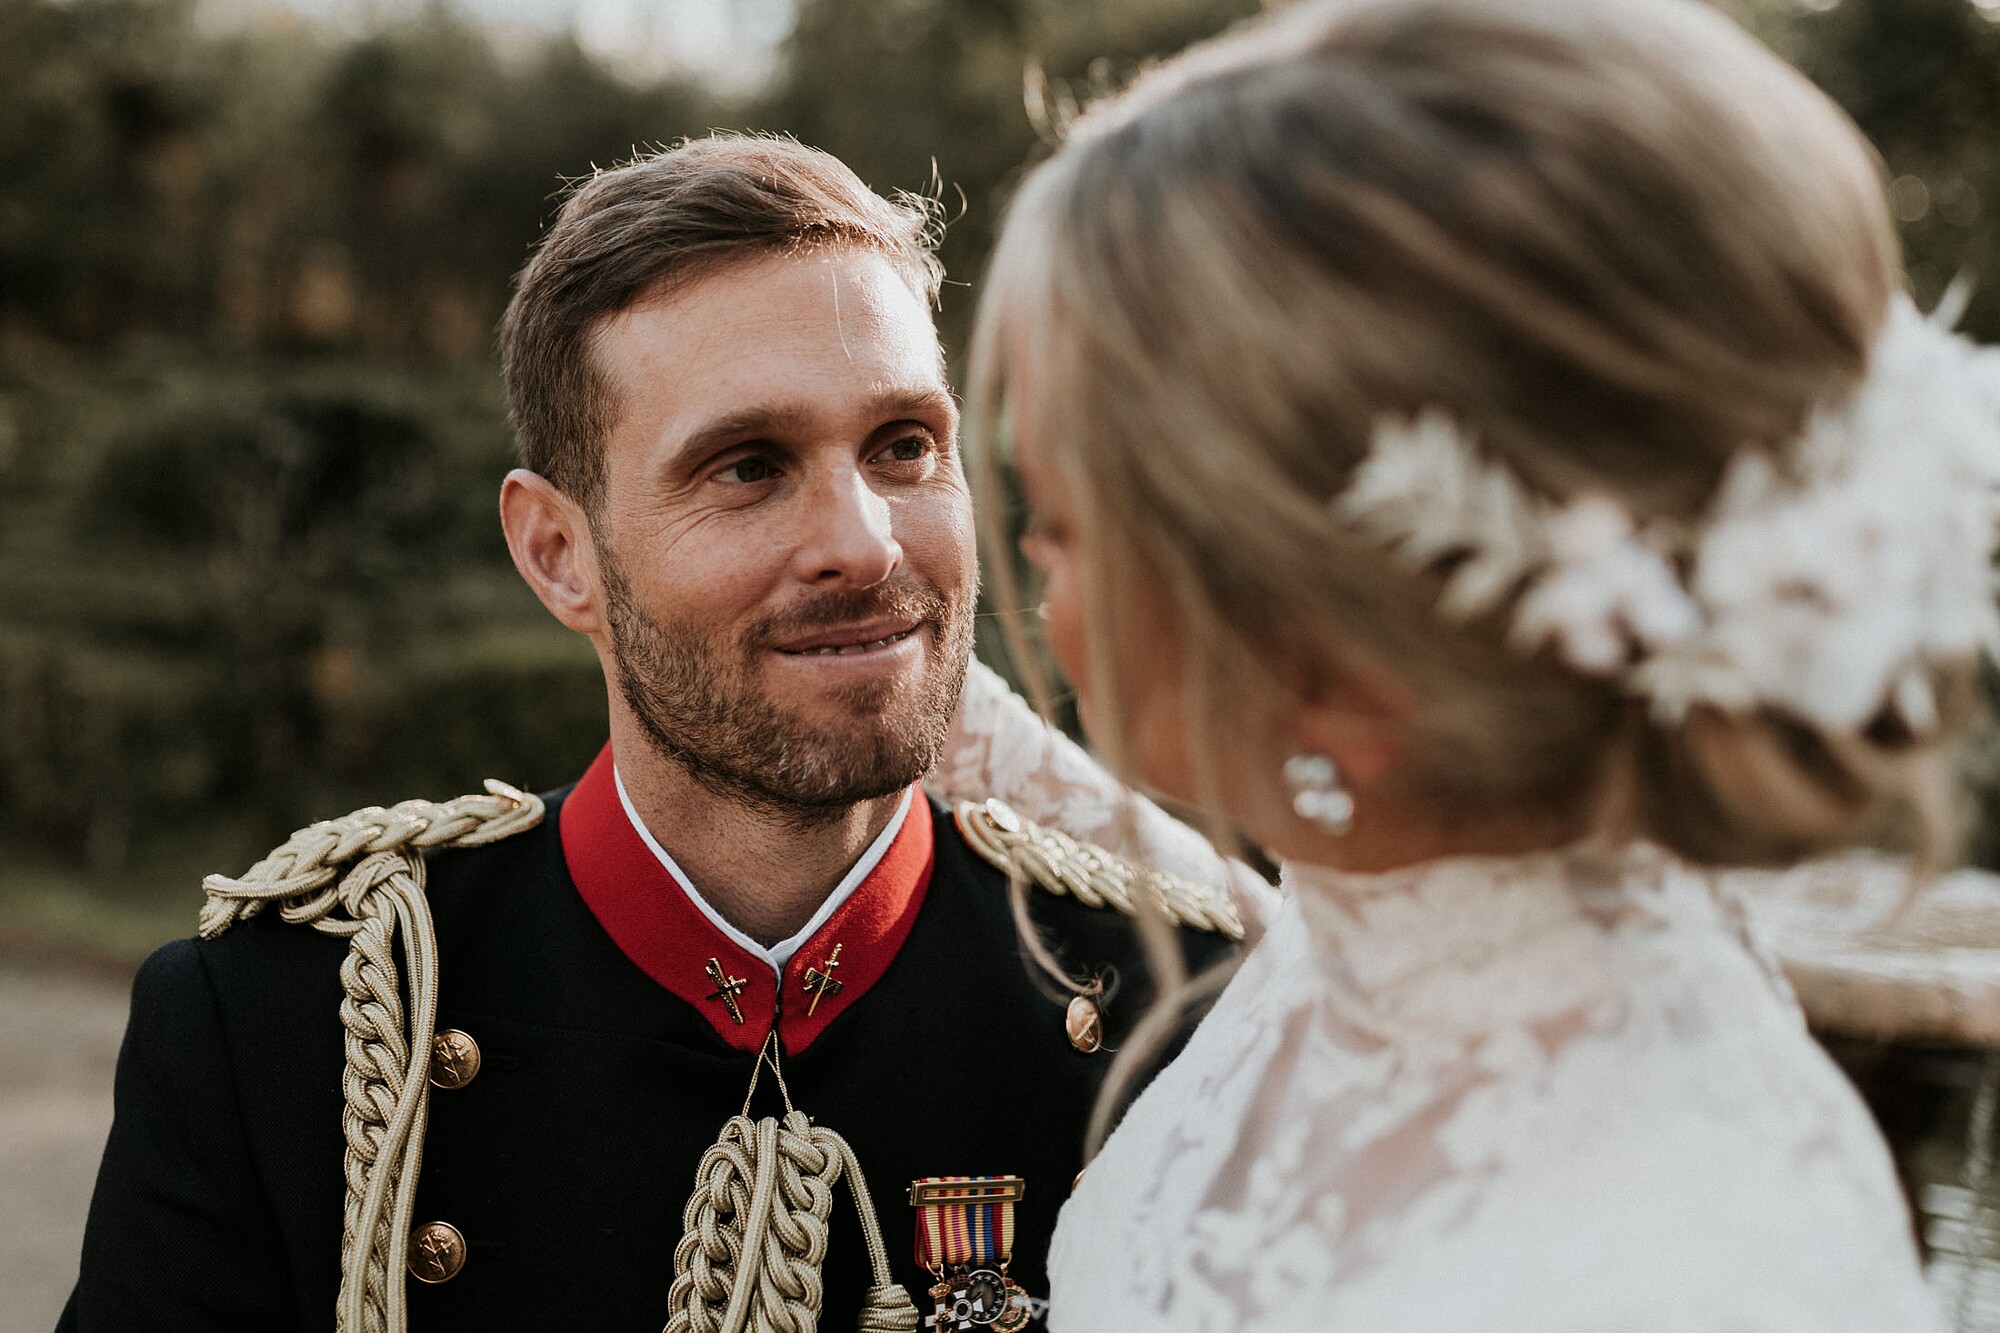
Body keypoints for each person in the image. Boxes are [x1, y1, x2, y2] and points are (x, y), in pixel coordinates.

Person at [58, 135, 1251, 1332]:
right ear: (557, 555)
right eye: (747, 466)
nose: (867, 541)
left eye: (903, 447)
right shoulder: (279, 1023)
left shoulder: (1195, 1015)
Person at [967, 0, 2000, 1327]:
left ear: (1338, 665)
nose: (1034, 575)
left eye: (1058, 527)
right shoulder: (1387, 921)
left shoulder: (1684, 1264)